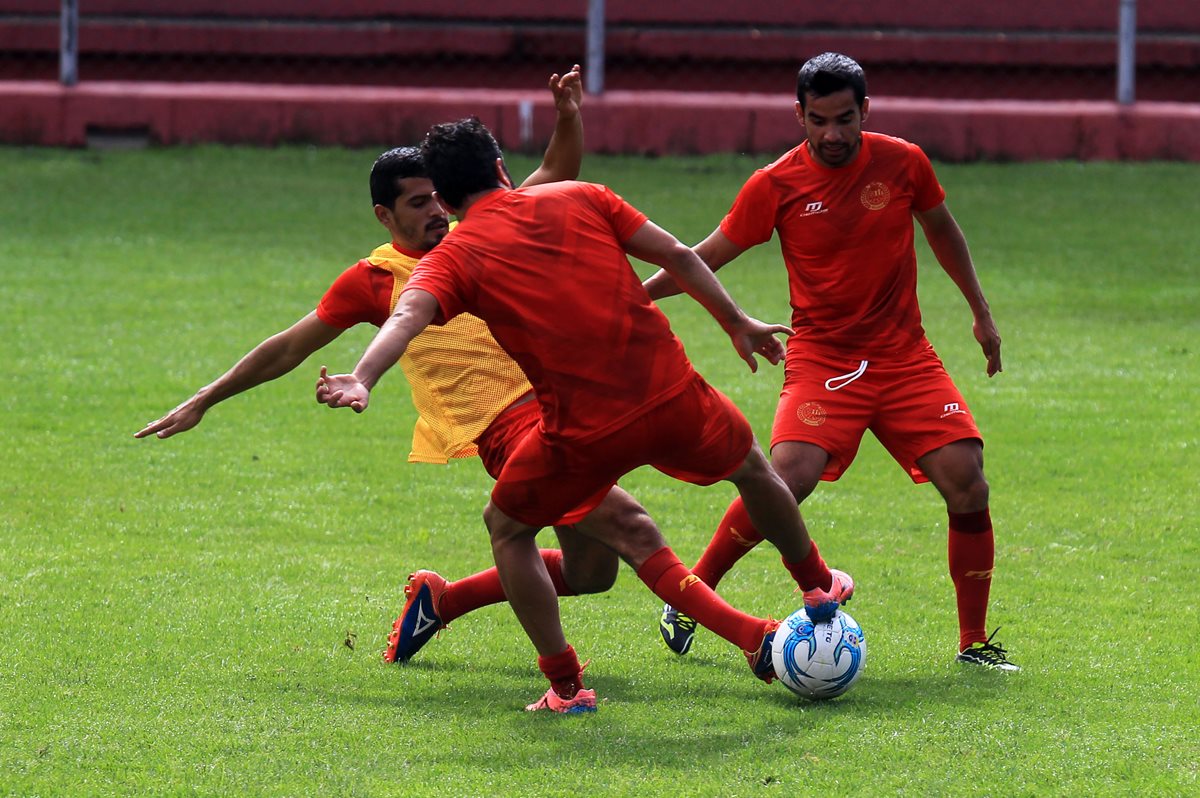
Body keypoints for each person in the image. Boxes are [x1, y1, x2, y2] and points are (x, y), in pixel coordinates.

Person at [317, 117, 855, 713]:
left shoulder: (452, 258)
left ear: (444, 199)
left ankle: (567, 686)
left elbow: (405, 319)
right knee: (754, 471)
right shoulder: (582, 194)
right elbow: (677, 253)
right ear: (501, 167)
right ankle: (816, 585)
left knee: (510, 528)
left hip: (583, 433)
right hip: (672, 395)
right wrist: (736, 322)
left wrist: (362, 377)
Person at [133, 67, 627, 666]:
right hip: (509, 431)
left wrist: (568, 117)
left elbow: (554, 174)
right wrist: (204, 398)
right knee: (634, 527)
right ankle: (745, 639)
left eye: (438, 198)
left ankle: (439, 602)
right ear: (383, 215)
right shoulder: (375, 280)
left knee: (594, 570)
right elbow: (289, 347)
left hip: (558, 410)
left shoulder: (483, 231)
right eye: (418, 204)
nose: (437, 213)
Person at [644, 52, 1017, 671]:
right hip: (823, 358)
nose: (833, 134)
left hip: (904, 358)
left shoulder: (904, 162)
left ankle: (973, 643)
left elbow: (943, 230)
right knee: (787, 479)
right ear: (799, 115)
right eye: (818, 120)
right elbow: (704, 257)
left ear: (865, 110)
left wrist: (980, 311)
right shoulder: (774, 184)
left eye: (845, 118)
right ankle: (692, 595)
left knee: (968, 481)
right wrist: (635, 296)